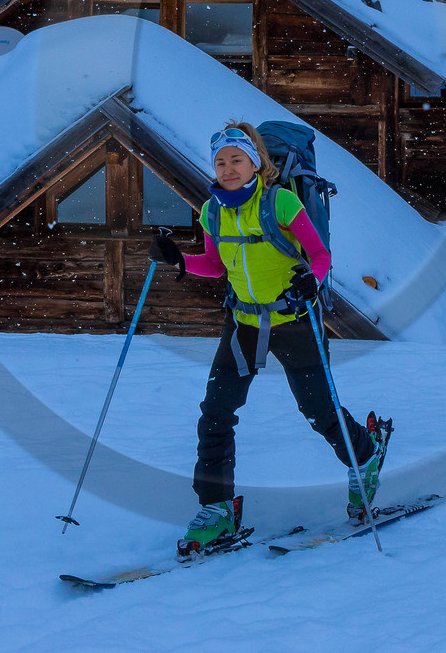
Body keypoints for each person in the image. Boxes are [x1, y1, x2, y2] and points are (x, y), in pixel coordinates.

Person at [149, 122, 390, 556]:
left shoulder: (281, 201)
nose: (228, 168)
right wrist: (179, 260)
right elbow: (216, 266)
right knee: (216, 412)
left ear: (255, 162)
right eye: (220, 162)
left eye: (236, 159)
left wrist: (311, 281)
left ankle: (365, 456)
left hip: (294, 319)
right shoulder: (212, 212)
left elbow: (319, 255)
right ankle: (216, 508)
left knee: (319, 411)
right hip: (244, 322)